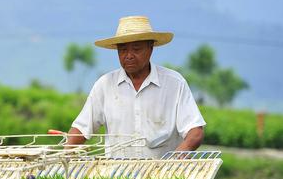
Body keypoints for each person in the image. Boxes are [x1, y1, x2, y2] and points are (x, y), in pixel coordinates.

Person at [67, 16, 206, 158]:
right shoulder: (104, 85)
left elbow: (195, 131)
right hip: (117, 175)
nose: (128, 56)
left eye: (136, 49)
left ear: (150, 48)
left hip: (163, 175)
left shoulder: (174, 84)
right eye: (122, 50)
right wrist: (63, 153)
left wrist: (178, 156)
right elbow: (81, 128)